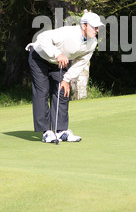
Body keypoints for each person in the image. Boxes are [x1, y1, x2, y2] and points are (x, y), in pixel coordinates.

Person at [25, 12, 104, 143]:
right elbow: (42, 37)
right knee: (42, 91)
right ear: (84, 26)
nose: (97, 30)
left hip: (58, 63)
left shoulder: (92, 42)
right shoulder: (68, 33)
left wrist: (67, 79)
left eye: (98, 27)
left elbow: (81, 63)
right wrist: (57, 54)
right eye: (94, 27)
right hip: (39, 57)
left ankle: (61, 131)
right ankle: (46, 132)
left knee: (62, 91)